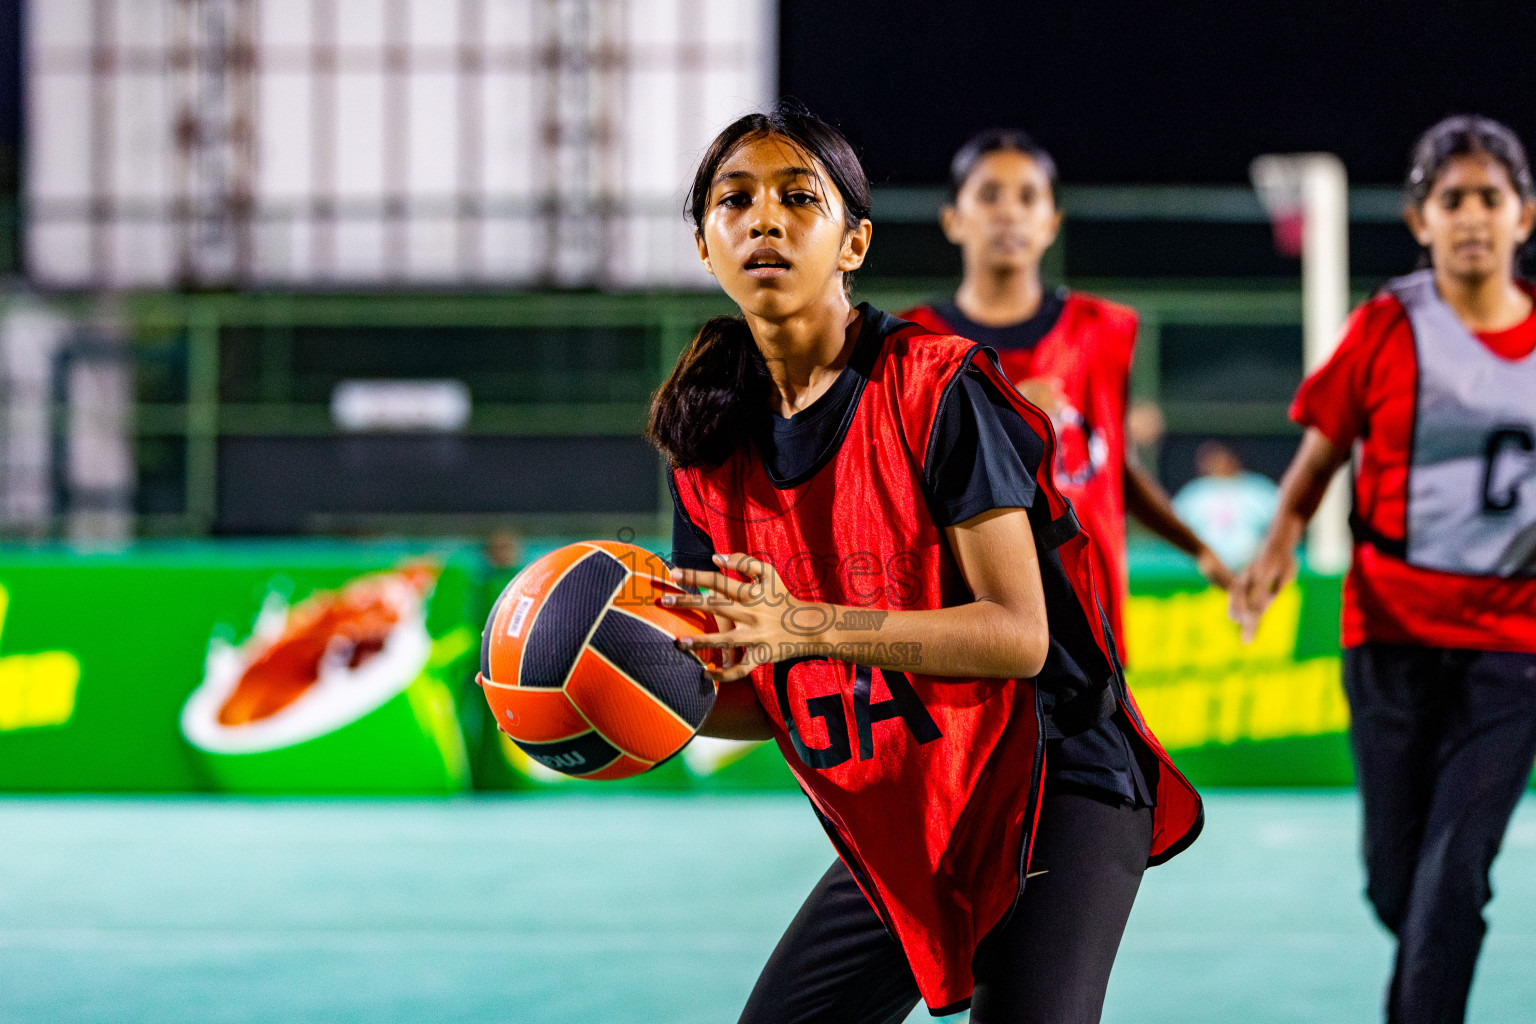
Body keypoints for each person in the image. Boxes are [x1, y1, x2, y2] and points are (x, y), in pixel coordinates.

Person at [648, 104, 1202, 1024]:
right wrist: (611, 697)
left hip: (1052, 776)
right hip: (916, 805)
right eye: (732, 201)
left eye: (799, 197)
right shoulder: (705, 446)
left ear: (853, 241)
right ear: (705, 246)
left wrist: (805, 623)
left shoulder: (938, 387)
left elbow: (1019, 637)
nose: (764, 220)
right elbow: (756, 696)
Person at [1232, 114, 1536, 1024]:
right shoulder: (1388, 324)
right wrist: (1279, 541)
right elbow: (1320, 460)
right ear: (1419, 219)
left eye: (1491, 197)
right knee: (1397, 886)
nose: (1473, 215)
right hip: (1391, 636)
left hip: (1512, 650)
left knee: (1455, 875)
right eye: (1453, 199)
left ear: (1525, 216)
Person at [900, 130, 1234, 653]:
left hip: (1089, 631)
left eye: (1028, 197)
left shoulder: (1102, 331)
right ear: (953, 219)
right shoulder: (911, 347)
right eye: (988, 196)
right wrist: (1007, 412)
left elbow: (1114, 469)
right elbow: (901, 492)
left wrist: (1202, 551)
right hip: (971, 635)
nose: (1009, 212)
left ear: (1052, 221)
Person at [1172, 440, 1280, 570]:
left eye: (1222, 457)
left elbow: (1281, 522)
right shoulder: (1193, 492)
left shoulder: (1258, 487)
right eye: (1212, 458)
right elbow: (1174, 525)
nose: (1219, 462)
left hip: (1253, 562)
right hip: (1201, 564)